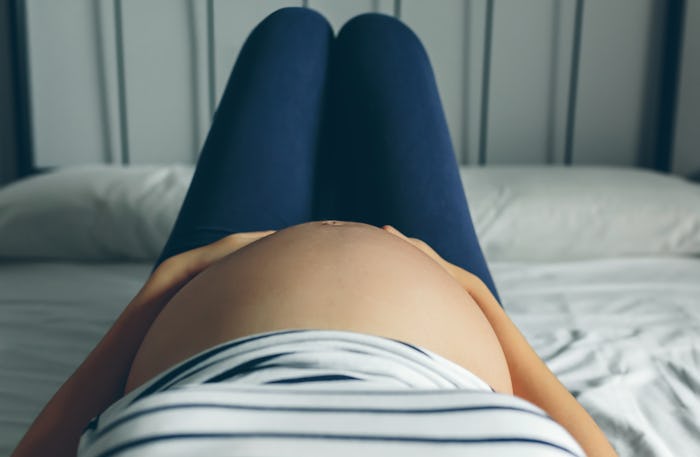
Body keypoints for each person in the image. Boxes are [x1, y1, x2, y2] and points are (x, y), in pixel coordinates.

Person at [13, 7, 616, 457]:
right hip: (441, 286)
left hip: (216, 274)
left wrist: (168, 284)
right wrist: (476, 296)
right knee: (383, 42)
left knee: (290, 32)